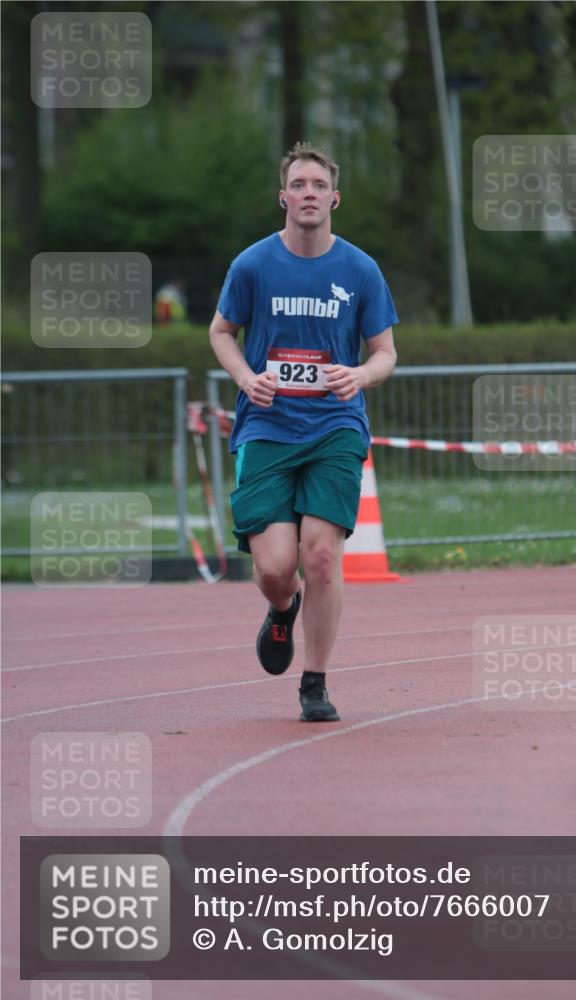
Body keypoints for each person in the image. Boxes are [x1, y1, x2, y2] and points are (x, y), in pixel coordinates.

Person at [209, 141, 398, 722]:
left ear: (334, 197)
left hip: (335, 426)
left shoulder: (360, 269)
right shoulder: (253, 265)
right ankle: (282, 609)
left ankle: (314, 682)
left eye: (319, 185)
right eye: (299, 185)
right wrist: (246, 377)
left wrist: (359, 375)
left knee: (320, 558)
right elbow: (221, 332)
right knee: (275, 567)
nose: (309, 193)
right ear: (283, 198)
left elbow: (386, 352)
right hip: (267, 426)